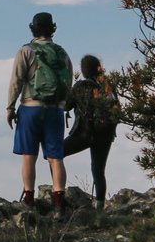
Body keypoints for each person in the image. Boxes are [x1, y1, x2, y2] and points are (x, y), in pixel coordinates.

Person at [7, 12, 73, 214]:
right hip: (55, 110)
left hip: (30, 108)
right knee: (56, 157)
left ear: (33, 28)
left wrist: (10, 107)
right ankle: (59, 203)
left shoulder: (26, 51)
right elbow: (68, 82)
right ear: (53, 28)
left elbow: (16, 81)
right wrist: (61, 105)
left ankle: (29, 200)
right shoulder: (62, 53)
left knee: (29, 155)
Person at [64, 55, 120, 215]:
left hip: (83, 134)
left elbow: (66, 106)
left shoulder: (80, 86)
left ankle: (58, 196)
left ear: (83, 70)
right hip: (105, 135)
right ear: (99, 67)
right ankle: (100, 209)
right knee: (98, 170)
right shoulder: (109, 87)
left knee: (55, 154)